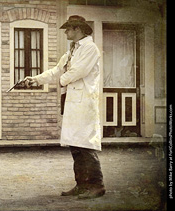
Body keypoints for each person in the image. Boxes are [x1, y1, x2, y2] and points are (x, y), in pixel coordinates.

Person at [25, 15, 105, 199]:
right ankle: (82, 184)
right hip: (71, 100)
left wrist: (61, 81)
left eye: (68, 29)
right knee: (75, 144)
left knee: (85, 143)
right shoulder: (72, 51)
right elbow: (57, 70)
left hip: (85, 103)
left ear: (77, 29)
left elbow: (78, 71)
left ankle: (97, 185)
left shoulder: (90, 49)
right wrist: (35, 79)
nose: (66, 32)